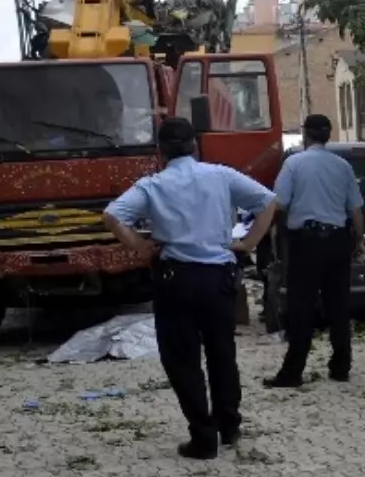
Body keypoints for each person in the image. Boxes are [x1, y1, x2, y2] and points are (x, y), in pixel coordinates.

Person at [103, 117, 277, 459]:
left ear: (160, 151)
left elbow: (111, 216)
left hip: (176, 280)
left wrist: (140, 246)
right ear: (195, 146)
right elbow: (269, 201)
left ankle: (202, 436)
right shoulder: (221, 175)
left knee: (183, 359)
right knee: (221, 354)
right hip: (218, 278)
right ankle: (229, 427)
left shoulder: (152, 185)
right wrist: (249, 243)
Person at [264, 113, 364, 389]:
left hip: (305, 243)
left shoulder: (294, 164)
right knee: (339, 307)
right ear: (329, 135)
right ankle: (341, 367)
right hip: (337, 241)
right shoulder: (343, 166)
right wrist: (359, 241)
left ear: (306, 135)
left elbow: (279, 204)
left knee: (301, 308)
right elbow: (355, 210)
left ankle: (293, 372)